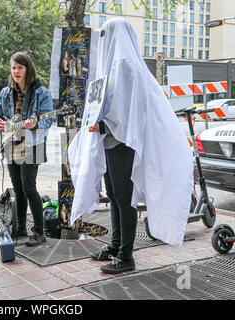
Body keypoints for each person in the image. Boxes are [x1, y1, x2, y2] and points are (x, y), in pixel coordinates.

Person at [67, 18, 194, 274]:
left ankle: (126, 255)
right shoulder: (113, 67)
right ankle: (115, 247)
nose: (103, 40)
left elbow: (130, 113)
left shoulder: (125, 66)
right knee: (113, 196)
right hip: (110, 141)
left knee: (124, 199)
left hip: (122, 143)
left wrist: (102, 126)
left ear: (116, 35)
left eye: (106, 34)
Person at [0, 51, 53, 247]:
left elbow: (49, 120)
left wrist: (36, 124)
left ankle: (39, 232)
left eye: (20, 67)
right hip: (11, 144)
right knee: (18, 189)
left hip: (33, 144)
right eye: (13, 68)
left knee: (29, 187)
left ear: (28, 69)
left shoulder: (42, 92)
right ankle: (21, 228)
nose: (16, 71)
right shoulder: (6, 92)